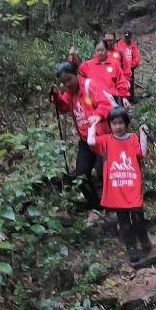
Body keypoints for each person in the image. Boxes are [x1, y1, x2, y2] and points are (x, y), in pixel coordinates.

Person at [87, 107, 152, 262]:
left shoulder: (132, 138)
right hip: (116, 188)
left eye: (121, 123)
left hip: (132, 184)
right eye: (114, 123)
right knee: (123, 220)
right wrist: (94, 125)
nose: (118, 126)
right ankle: (131, 247)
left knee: (137, 215)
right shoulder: (106, 140)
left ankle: (143, 238)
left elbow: (142, 153)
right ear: (110, 125)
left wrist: (143, 135)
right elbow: (91, 142)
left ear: (126, 123)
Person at [50, 62, 113, 209]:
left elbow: (105, 104)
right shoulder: (69, 93)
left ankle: (113, 205)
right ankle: (96, 207)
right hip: (86, 140)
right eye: (64, 82)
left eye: (69, 79)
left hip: (101, 137)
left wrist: (97, 115)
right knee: (81, 175)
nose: (67, 84)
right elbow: (64, 107)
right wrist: (57, 96)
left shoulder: (90, 86)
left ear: (77, 74)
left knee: (103, 172)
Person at [78, 39, 132, 109]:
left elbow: (121, 82)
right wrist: (72, 56)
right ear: (95, 51)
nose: (100, 53)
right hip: (94, 101)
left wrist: (124, 97)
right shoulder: (87, 65)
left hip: (112, 100)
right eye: (98, 50)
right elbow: (76, 72)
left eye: (102, 50)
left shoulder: (114, 64)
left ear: (107, 50)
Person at [115, 31, 140, 98]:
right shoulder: (118, 45)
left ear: (130, 38)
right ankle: (120, 96)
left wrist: (132, 65)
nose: (126, 38)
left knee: (130, 82)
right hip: (120, 67)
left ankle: (130, 97)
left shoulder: (133, 46)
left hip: (130, 67)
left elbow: (136, 57)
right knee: (120, 81)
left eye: (128, 37)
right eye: (125, 37)